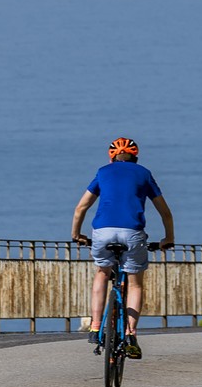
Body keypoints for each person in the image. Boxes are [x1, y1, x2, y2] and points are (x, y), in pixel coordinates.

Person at [71, 137, 175, 360]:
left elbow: (81, 208)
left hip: (102, 232)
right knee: (135, 283)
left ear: (111, 157)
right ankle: (130, 334)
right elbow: (165, 212)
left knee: (102, 272)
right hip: (132, 232)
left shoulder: (103, 172)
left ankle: (95, 326)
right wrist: (168, 238)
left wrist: (76, 234)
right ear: (135, 157)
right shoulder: (144, 174)